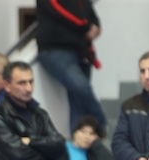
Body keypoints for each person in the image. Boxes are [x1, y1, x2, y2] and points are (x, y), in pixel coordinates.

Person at [36, 0, 106, 133]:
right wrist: (88, 26)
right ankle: (102, 126)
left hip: (81, 50)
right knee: (82, 88)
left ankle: (78, 140)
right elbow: (66, 15)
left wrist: (95, 27)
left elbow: (92, 16)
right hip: (55, 49)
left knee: (77, 100)